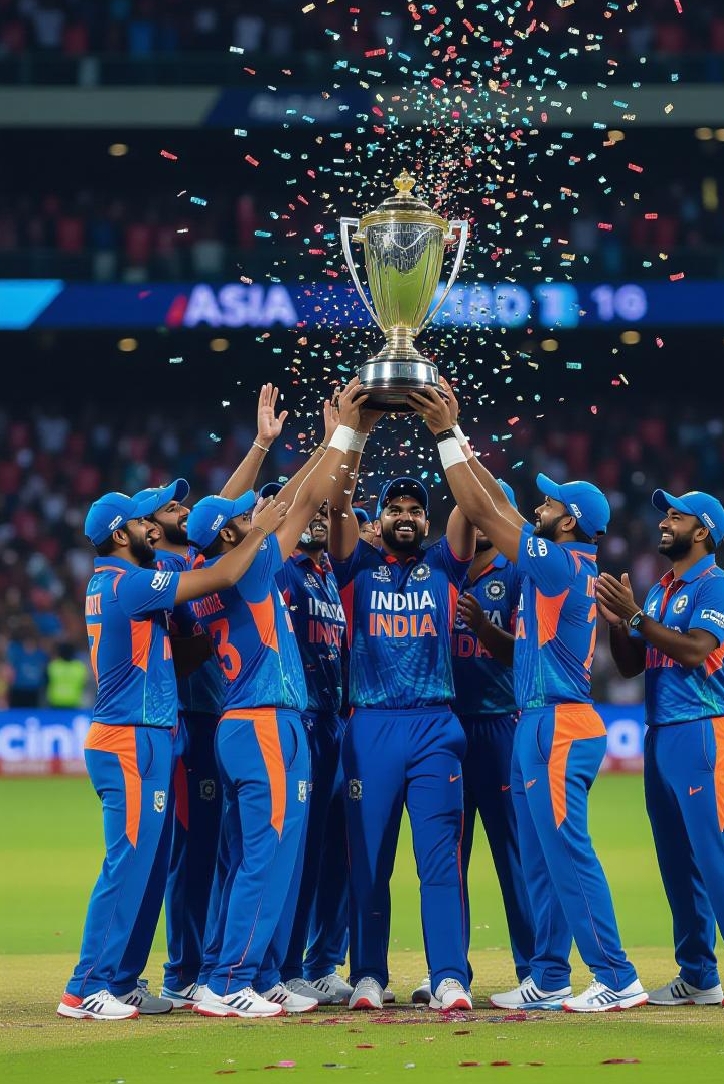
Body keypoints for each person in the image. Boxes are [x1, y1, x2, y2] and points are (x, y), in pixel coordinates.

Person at [409, 383, 646, 1013]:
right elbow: (493, 507)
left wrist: (447, 434)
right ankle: (548, 975)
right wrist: (459, 438)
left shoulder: (559, 566)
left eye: (549, 503)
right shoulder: (561, 564)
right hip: (539, 719)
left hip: (558, 724)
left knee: (565, 854)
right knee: (540, 858)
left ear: (567, 522)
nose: (538, 507)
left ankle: (616, 976)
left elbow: (484, 513)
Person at [57, 485, 287, 1020]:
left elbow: (169, 651)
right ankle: (84, 988)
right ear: (122, 534)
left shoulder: (112, 584)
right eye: (143, 522)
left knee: (144, 866)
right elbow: (221, 576)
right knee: (127, 866)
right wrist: (260, 530)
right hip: (130, 738)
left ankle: (117, 981)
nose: (152, 529)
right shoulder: (131, 584)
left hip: (141, 736)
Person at [188, 380, 368, 1019]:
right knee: (266, 859)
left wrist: (299, 445)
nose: (254, 517)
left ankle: (249, 973)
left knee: (250, 857)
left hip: (246, 722)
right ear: (229, 536)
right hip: (266, 723)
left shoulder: (215, 575)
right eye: (243, 519)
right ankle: (230, 981)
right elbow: (302, 502)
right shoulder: (254, 568)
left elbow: (275, 507)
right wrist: (340, 437)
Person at [595, 489, 724, 1008]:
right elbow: (632, 666)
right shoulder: (661, 590)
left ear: (701, 531)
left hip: (704, 732)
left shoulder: (717, 587)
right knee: (677, 862)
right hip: (661, 733)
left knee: (716, 854)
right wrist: (619, 623)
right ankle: (699, 974)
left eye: (676, 517)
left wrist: (636, 618)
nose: (664, 522)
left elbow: (697, 650)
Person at [130, 383, 289, 1011]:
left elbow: (222, 513)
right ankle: (184, 969)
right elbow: (221, 527)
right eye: (170, 508)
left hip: (214, 715)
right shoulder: (162, 574)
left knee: (220, 850)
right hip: (191, 720)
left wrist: (261, 445)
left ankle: (203, 964)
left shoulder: (191, 562)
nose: (182, 508)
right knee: (190, 855)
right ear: (148, 528)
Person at [327, 403, 477, 1012]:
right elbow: (338, 508)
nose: (406, 517)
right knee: (369, 862)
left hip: (436, 725)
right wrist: (352, 434)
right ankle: (368, 975)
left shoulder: (445, 566)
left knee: (440, 861)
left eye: (416, 510)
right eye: (395, 509)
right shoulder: (355, 567)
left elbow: (472, 503)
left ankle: (449, 977)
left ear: (428, 520)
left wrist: (449, 429)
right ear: (381, 517)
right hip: (371, 726)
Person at [412, 480, 536, 1008]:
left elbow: (526, 654)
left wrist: (483, 628)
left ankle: (535, 970)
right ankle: (447, 971)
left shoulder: (519, 575)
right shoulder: (438, 569)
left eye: (487, 514)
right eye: (472, 513)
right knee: (446, 857)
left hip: (500, 726)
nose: (480, 523)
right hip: (446, 728)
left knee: (515, 856)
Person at [271, 495, 352, 1005]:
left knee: (331, 852)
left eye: (325, 513)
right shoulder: (284, 570)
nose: (318, 520)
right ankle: (282, 968)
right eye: (310, 511)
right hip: (299, 719)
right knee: (295, 853)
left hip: (333, 722)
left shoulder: (325, 576)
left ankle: (317, 964)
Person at [46, 642, 88, 709]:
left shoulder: (53, 666)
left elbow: (46, 682)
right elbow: (84, 683)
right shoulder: (79, 667)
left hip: (55, 701)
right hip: (74, 701)